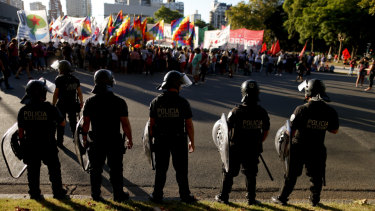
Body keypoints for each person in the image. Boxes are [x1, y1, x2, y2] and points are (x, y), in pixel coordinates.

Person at [272, 79, 339, 207]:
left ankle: (283, 198)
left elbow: (290, 132)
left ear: (308, 92)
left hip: (299, 147)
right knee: (316, 176)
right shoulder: (330, 111)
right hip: (318, 147)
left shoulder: (301, 109)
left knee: (291, 175)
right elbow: (334, 130)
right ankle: (314, 200)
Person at [215, 80, 270, 205]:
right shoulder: (262, 112)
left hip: (236, 148)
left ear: (243, 93)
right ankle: (251, 199)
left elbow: (225, 130)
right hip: (253, 148)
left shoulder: (235, 112)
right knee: (251, 174)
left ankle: (224, 197)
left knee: (229, 172)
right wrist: (258, 141)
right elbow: (266, 130)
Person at [82, 69, 133, 202]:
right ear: (111, 82)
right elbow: (125, 124)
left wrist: (84, 138)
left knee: (95, 169)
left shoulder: (90, 101)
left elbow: (85, 123)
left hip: (97, 139)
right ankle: (118, 195)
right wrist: (129, 139)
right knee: (116, 169)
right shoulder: (119, 102)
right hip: (114, 140)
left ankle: (96, 195)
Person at [148, 70, 197, 203]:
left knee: (161, 170)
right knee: (181, 170)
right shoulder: (183, 102)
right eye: (180, 84)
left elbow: (151, 125)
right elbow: (189, 125)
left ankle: (157, 195)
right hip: (178, 140)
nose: (181, 86)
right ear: (176, 85)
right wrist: (192, 141)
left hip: (161, 140)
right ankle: (185, 196)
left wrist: (151, 142)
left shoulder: (155, 102)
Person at [17, 79, 67, 200]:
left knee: (33, 171)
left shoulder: (23, 111)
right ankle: (58, 192)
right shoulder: (50, 108)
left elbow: (20, 132)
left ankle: (34, 193)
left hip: (31, 145)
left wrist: (22, 146)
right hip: (48, 144)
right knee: (54, 169)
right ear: (42, 93)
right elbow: (63, 123)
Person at [52, 60, 83, 147]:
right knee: (73, 122)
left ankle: (60, 142)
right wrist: (81, 102)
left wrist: (53, 105)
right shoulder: (75, 79)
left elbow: (56, 93)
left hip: (61, 104)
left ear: (60, 69)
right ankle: (76, 139)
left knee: (60, 123)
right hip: (72, 103)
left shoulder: (59, 79)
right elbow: (79, 92)